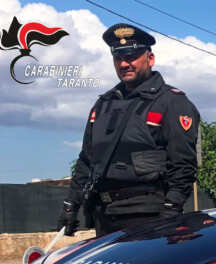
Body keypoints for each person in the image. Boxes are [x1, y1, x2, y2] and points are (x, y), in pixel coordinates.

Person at [59, 23, 200, 237]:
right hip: (104, 217)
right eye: (118, 58)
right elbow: (86, 161)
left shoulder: (172, 102)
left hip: (150, 217)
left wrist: (171, 210)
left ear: (150, 58)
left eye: (132, 56)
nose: (124, 64)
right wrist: (71, 205)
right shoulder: (103, 104)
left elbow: (183, 166)